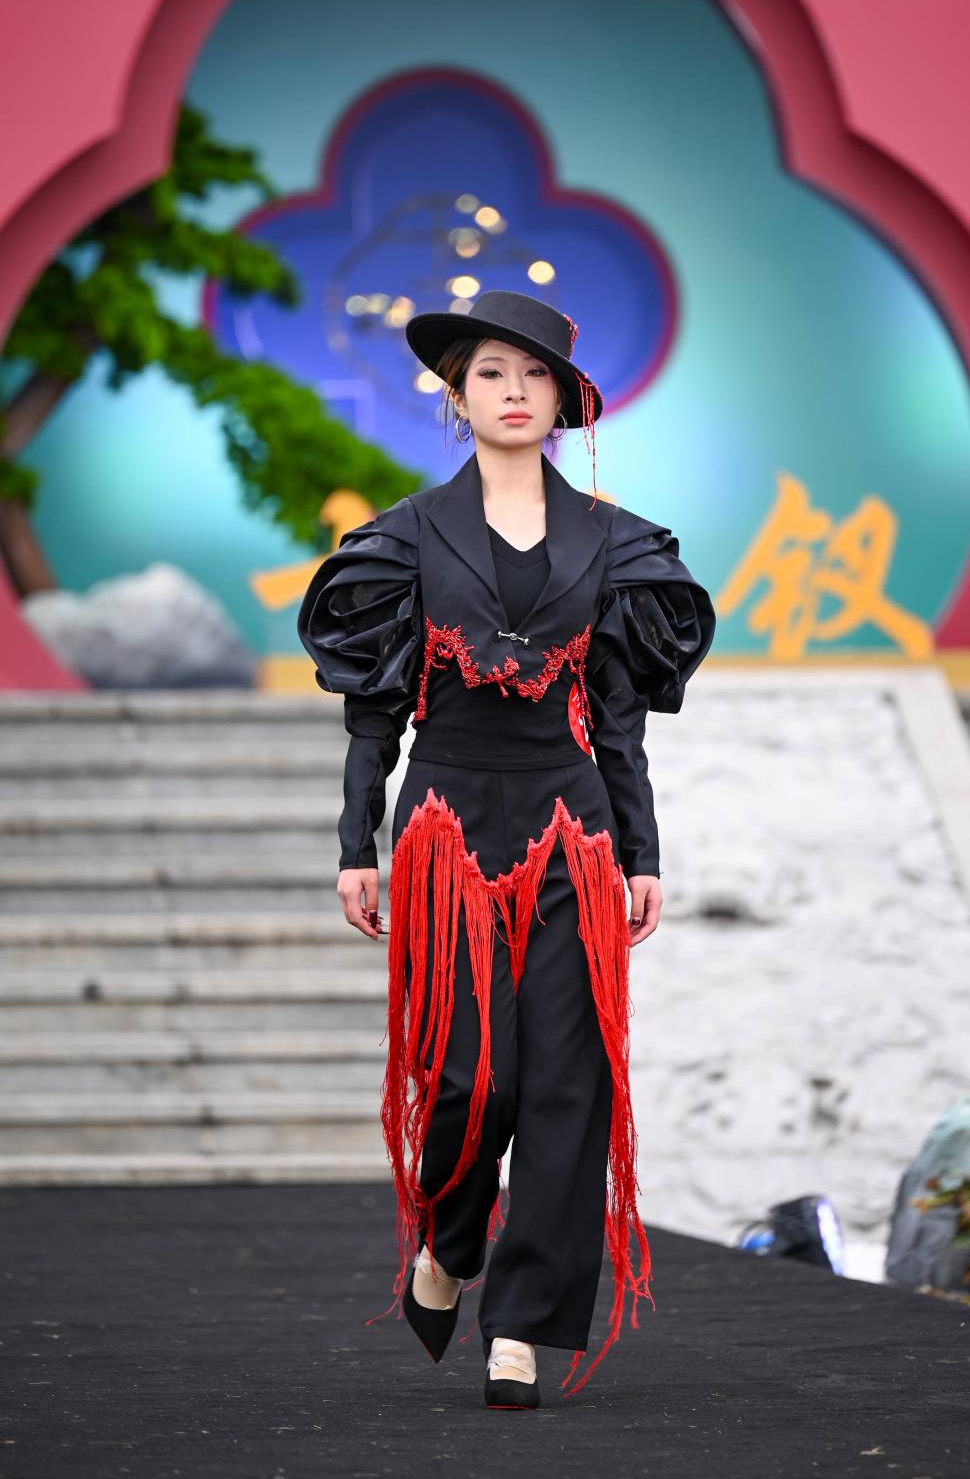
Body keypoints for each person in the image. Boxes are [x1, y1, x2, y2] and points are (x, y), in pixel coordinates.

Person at [296, 289, 716, 1408]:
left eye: (536, 375)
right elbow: (375, 712)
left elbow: (617, 718)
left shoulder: (618, 543)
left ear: (565, 401)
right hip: (443, 828)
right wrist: (355, 843)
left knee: (569, 1082)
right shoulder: (402, 538)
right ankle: (449, 1243)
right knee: (471, 1080)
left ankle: (521, 1326)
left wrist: (642, 853)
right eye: (491, 372)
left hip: (572, 829)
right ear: (457, 394)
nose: (514, 392)